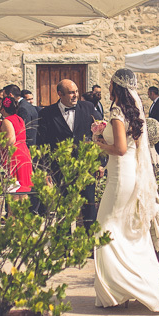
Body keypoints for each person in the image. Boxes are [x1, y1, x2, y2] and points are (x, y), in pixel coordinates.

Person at [90, 68, 159, 311]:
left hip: (121, 175)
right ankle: (131, 285)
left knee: (105, 226)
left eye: (110, 84)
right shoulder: (134, 113)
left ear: (115, 87)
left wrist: (100, 142)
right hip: (131, 173)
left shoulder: (117, 112)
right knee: (127, 228)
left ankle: (118, 289)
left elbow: (120, 149)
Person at [37, 78, 97, 227]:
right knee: (63, 214)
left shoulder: (88, 108)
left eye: (76, 92)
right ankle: (63, 249)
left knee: (89, 212)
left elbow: (100, 136)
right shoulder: (47, 114)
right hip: (61, 171)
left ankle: (90, 248)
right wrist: (45, 172)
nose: (75, 95)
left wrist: (99, 164)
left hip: (86, 170)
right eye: (71, 93)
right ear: (60, 94)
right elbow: (41, 145)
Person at [0, 93, 33, 193]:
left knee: (14, 191)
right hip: (24, 153)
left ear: (3, 109)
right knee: (23, 189)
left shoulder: (6, 121)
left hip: (14, 156)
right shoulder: (19, 119)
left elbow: (10, 141)